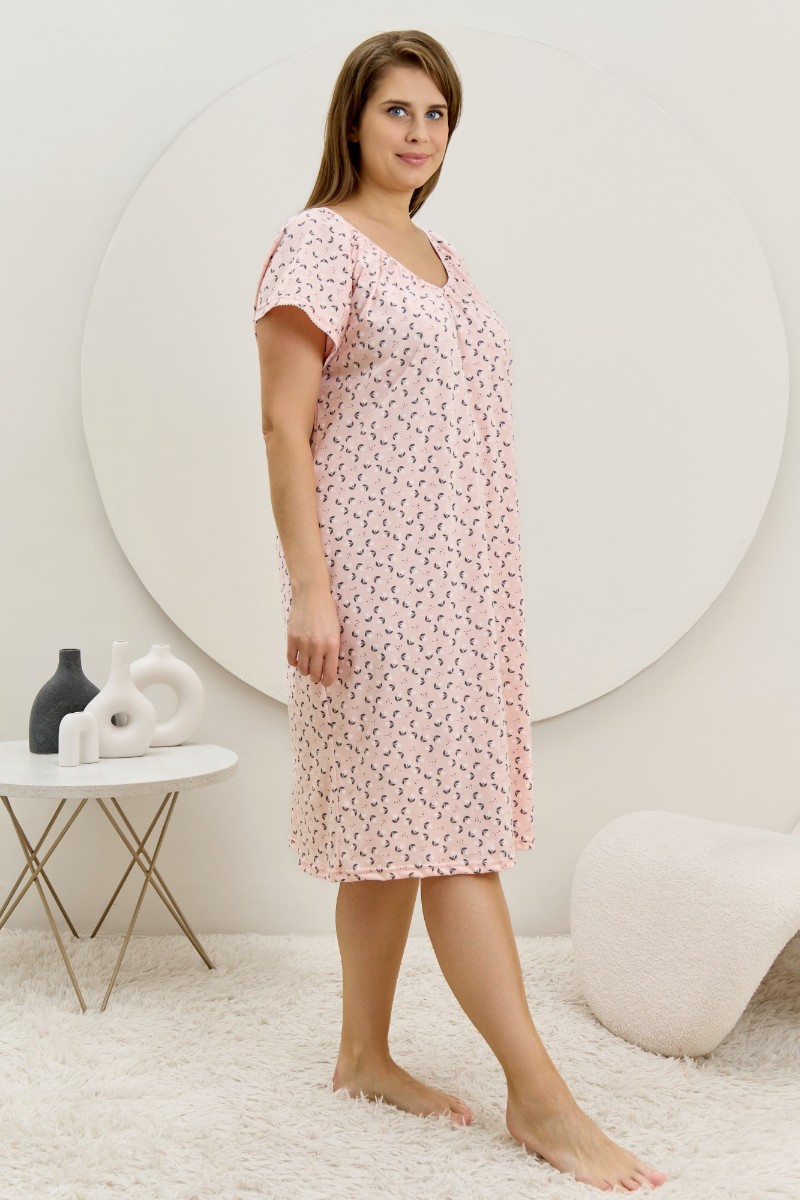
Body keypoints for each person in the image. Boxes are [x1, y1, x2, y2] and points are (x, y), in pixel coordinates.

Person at [253, 29, 667, 1195]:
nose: (418, 132)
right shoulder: (317, 241)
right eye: (397, 109)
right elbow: (282, 424)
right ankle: (541, 1101)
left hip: (461, 592)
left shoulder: (442, 254)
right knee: (451, 839)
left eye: (436, 114)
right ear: (352, 118)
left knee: (394, 834)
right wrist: (311, 586)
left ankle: (361, 1056)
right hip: (373, 589)